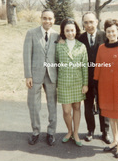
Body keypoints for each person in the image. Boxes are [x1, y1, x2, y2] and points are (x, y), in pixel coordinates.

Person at [79, 11, 118, 143]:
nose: (89, 25)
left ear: (97, 22)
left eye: (91, 22)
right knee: (88, 105)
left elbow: (117, 41)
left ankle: (105, 132)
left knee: (103, 106)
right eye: (86, 22)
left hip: (104, 79)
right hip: (86, 78)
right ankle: (90, 130)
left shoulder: (105, 34)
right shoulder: (80, 38)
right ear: (83, 24)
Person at [94, 19, 118, 158]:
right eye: (108, 31)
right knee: (110, 115)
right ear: (106, 32)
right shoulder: (102, 47)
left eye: (113, 31)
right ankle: (114, 140)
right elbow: (98, 66)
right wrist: (95, 84)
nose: (111, 33)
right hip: (104, 86)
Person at [23, 9, 59, 146]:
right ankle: (36, 131)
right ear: (41, 19)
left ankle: (51, 132)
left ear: (54, 20)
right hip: (35, 75)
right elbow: (26, 55)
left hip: (52, 75)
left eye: (50, 19)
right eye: (45, 18)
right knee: (33, 105)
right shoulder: (31, 33)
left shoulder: (57, 35)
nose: (47, 21)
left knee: (52, 105)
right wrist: (28, 75)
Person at [56, 18, 88, 147]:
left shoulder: (81, 46)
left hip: (77, 82)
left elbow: (85, 66)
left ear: (76, 30)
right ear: (63, 32)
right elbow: (56, 63)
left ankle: (76, 133)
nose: (70, 33)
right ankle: (69, 131)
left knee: (77, 108)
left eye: (72, 30)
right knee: (66, 111)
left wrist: (85, 84)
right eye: (67, 30)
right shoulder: (59, 45)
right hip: (64, 83)